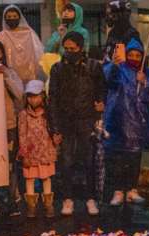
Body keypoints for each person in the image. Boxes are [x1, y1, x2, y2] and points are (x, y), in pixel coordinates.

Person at [48, 31, 105, 216]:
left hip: (86, 120)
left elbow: (102, 90)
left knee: (88, 160)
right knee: (66, 161)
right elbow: (53, 99)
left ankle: (90, 198)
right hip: (65, 121)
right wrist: (55, 128)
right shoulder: (57, 69)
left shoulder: (93, 67)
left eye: (72, 49)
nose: (68, 52)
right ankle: (68, 198)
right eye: (66, 48)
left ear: (81, 48)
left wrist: (100, 104)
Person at [103, 38, 149, 207]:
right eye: (131, 55)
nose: (134, 58)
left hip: (138, 124)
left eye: (138, 55)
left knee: (135, 158)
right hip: (119, 121)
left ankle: (132, 190)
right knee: (118, 158)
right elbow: (109, 80)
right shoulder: (118, 69)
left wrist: (146, 82)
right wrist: (114, 65)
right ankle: (118, 191)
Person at [0, 40, 25, 218]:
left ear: (3, 55)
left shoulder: (10, 72)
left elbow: (19, 94)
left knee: (9, 165)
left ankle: (12, 200)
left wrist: (6, 76)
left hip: (8, 126)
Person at [18, 80, 57, 218]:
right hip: (30, 153)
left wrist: (55, 144)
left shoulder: (48, 113)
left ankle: (48, 205)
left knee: (46, 178)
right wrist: (24, 153)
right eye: (30, 96)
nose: (33, 99)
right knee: (29, 179)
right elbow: (22, 134)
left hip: (46, 152)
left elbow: (53, 131)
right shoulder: (23, 114)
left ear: (42, 96)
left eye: (36, 96)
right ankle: (31, 207)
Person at [0, 4, 44, 83]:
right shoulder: (0, 36)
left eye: (15, 16)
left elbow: (38, 53)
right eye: (9, 17)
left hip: (29, 73)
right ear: (5, 19)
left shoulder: (29, 33)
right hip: (9, 75)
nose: (12, 19)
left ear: (19, 18)